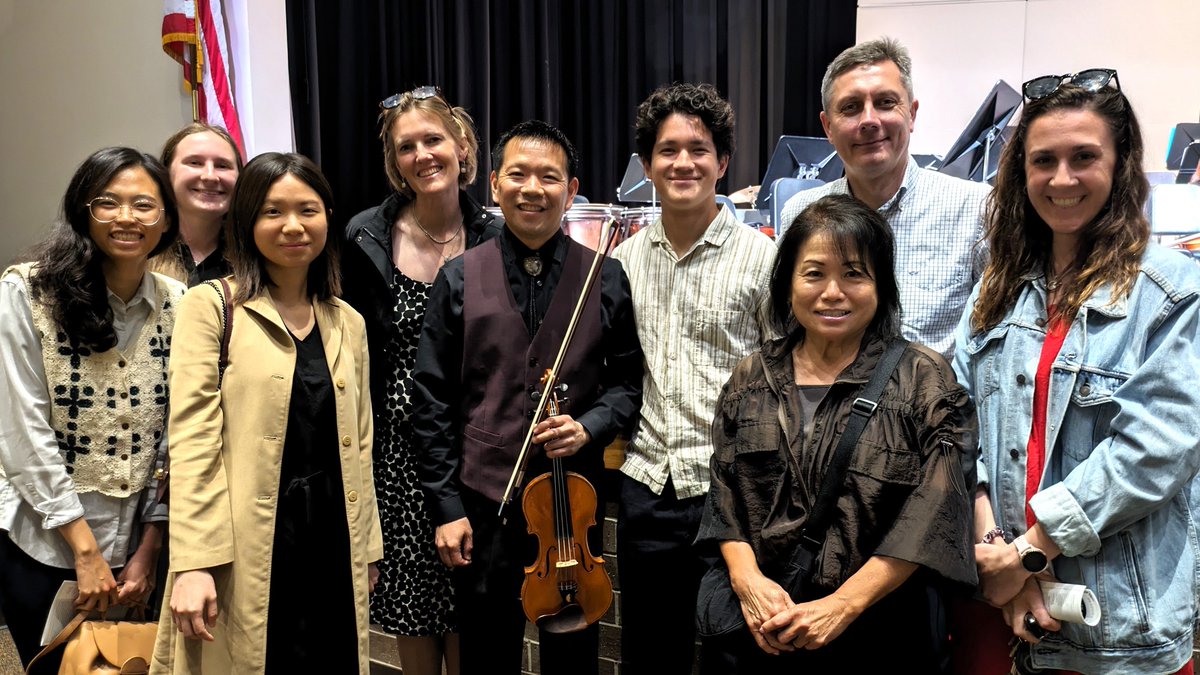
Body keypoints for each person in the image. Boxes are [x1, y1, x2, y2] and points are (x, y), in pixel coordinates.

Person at [952, 70, 1200, 674]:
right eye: (1044, 161)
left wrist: (1030, 554)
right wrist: (996, 552)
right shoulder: (998, 290)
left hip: (1114, 620)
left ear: (1120, 165)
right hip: (1001, 603)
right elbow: (955, 421)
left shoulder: (1173, 292)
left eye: (1084, 157)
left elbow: (1154, 450)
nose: (1062, 179)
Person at [697, 193, 977, 673]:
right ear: (787, 284)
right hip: (765, 630)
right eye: (813, 273)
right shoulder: (752, 377)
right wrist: (748, 584)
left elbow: (936, 514)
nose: (832, 292)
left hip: (879, 633)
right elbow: (724, 496)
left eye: (854, 273)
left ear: (881, 287)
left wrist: (842, 605)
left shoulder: (923, 380)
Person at [411, 120, 643, 675]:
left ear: (572, 188)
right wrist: (445, 506)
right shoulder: (459, 277)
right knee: (487, 654)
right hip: (482, 504)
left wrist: (589, 425)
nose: (532, 188)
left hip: (571, 508)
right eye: (517, 174)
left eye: (549, 177)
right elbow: (431, 400)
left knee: (572, 660)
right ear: (494, 184)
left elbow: (628, 386)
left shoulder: (605, 278)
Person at [151, 153, 383, 674]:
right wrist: (192, 563)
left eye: (308, 209)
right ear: (247, 220)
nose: (294, 226)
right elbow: (191, 442)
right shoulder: (212, 305)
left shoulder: (347, 320)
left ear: (328, 216)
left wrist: (366, 546)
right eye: (273, 212)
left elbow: (361, 442)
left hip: (331, 536)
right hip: (244, 541)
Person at [610, 82, 776, 675]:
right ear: (648, 164)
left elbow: (784, 375)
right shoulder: (621, 264)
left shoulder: (762, 258)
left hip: (734, 492)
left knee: (735, 654)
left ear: (722, 162)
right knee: (651, 654)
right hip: (648, 485)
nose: (684, 162)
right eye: (668, 149)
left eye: (699, 149)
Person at [0, 147, 184, 675]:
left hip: (138, 546)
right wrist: (85, 552)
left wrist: (150, 548)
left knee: (128, 665)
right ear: (84, 210)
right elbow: (21, 431)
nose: (127, 218)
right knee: (56, 668)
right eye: (108, 202)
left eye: (144, 205)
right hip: (44, 541)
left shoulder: (181, 303)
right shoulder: (28, 292)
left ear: (167, 218)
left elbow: (175, 439)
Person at [342, 86, 500, 675]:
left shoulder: (495, 234)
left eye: (433, 139)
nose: (423, 155)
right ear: (395, 162)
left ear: (462, 145)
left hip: (477, 446)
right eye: (407, 147)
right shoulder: (365, 236)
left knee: (468, 604)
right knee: (413, 609)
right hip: (399, 453)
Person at [778, 37, 991, 358]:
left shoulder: (976, 209)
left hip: (935, 404)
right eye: (850, 107)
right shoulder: (801, 213)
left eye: (885, 102)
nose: (869, 120)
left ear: (912, 114)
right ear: (828, 127)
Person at [151, 123, 242, 285]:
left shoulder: (255, 259)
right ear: (166, 173)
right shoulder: (141, 252)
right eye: (195, 163)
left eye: (222, 166)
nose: (210, 176)